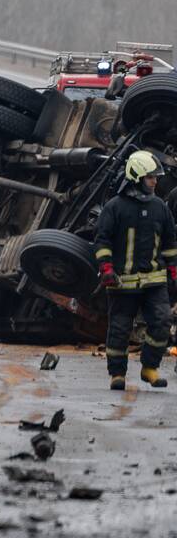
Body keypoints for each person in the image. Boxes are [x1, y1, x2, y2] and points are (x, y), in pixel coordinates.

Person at [94, 150, 176, 390]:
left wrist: (173, 270)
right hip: (122, 283)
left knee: (162, 322)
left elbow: (170, 243)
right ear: (137, 177)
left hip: (154, 283)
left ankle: (150, 367)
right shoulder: (115, 207)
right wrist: (107, 268)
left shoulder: (160, 207)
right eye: (151, 177)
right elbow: (102, 241)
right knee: (119, 329)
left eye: (155, 177)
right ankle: (117, 374)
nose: (155, 181)